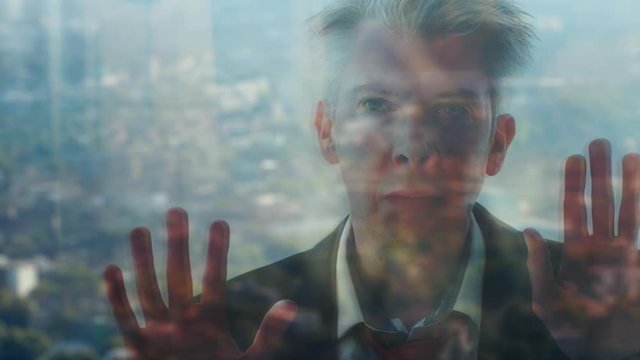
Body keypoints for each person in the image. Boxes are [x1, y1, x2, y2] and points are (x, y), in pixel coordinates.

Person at [104, 0, 640, 359]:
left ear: (496, 144)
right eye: (376, 104)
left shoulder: (599, 315)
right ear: (327, 131)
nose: (411, 147)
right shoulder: (227, 329)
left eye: (451, 110)